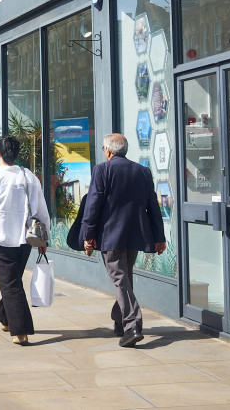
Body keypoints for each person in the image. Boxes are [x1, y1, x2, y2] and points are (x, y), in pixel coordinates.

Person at [81, 133, 167, 348]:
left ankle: (133, 326)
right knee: (125, 278)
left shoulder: (102, 169)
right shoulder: (143, 171)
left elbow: (93, 204)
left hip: (111, 236)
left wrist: (88, 235)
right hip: (135, 235)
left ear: (109, 150)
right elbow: (153, 206)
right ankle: (120, 320)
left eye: (103, 149)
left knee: (120, 280)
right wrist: (159, 237)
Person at [0, 135, 49, 345]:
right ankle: (4, 316)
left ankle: (21, 331)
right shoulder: (29, 176)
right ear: (17, 154)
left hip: (1, 238)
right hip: (26, 239)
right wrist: (45, 237)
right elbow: (41, 210)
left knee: (10, 284)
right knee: (13, 281)